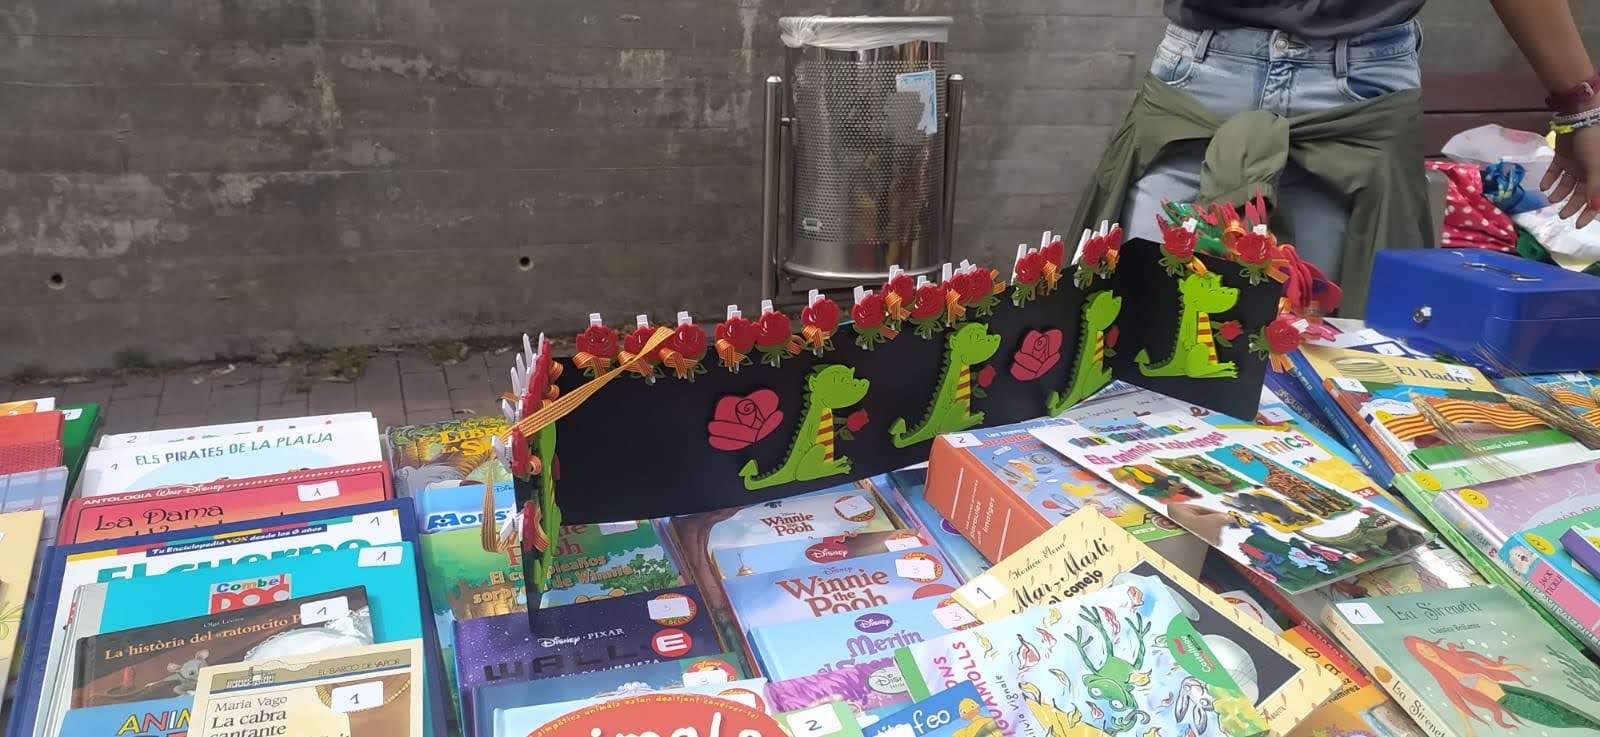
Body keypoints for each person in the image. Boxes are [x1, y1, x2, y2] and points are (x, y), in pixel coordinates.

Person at [1079, 0, 1600, 312]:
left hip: (1358, 97)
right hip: (1197, 85)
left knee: (1339, 358)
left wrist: (1582, 107)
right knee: (1124, 334)